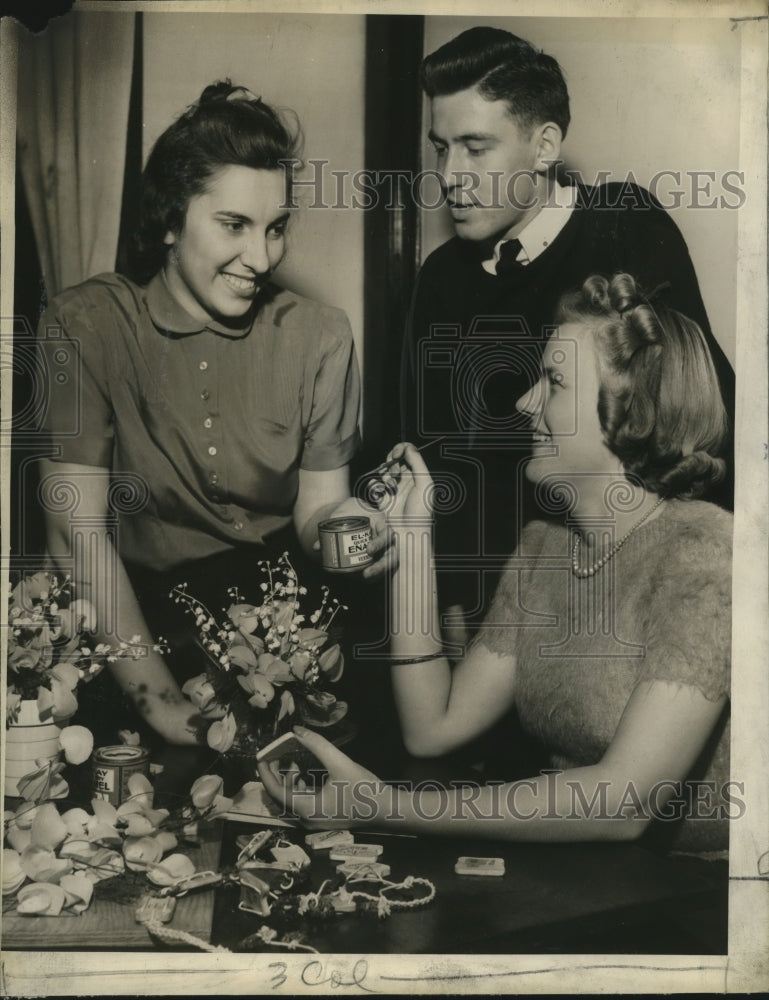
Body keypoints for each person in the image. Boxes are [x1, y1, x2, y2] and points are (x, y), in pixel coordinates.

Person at [260, 273, 733, 853]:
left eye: (553, 382)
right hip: (591, 874)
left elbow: (624, 802)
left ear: (629, 413)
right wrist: (413, 541)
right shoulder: (545, 546)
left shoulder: (708, 555)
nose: (524, 402)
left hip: (696, 893)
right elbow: (433, 728)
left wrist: (383, 805)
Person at [36, 82, 389, 746]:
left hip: (283, 634)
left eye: (276, 227)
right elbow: (74, 536)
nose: (261, 258)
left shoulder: (320, 335)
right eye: (234, 225)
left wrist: (356, 534)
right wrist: (164, 707)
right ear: (171, 219)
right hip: (134, 631)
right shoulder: (85, 328)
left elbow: (319, 515)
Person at [399, 26, 735, 646]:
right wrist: (453, 633)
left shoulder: (624, 225)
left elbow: (706, 428)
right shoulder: (441, 279)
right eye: (441, 148)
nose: (449, 174)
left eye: (476, 148)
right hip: (500, 624)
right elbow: (441, 470)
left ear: (545, 144)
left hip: (638, 603)